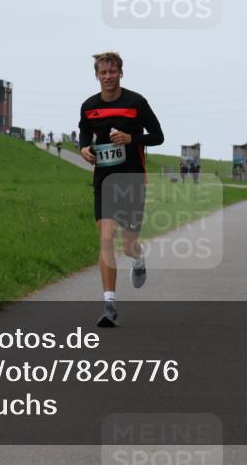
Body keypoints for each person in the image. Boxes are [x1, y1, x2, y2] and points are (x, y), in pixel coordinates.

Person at [79, 51, 164, 327]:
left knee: (127, 245)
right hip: (104, 179)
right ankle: (109, 305)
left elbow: (158, 136)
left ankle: (138, 257)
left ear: (121, 73)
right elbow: (83, 133)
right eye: (103, 73)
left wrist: (131, 138)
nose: (108, 77)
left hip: (132, 179)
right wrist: (83, 149)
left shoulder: (136, 102)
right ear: (97, 76)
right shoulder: (89, 106)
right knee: (106, 237)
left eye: (112, 71)